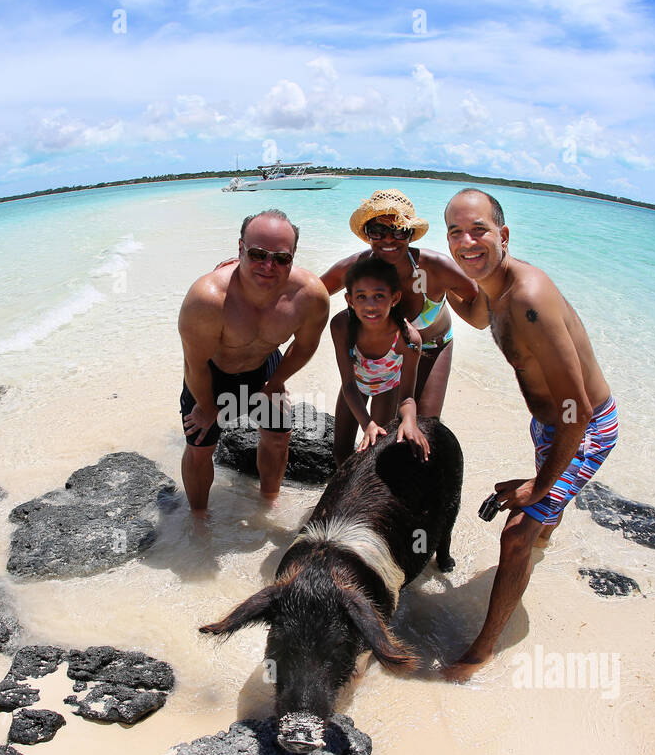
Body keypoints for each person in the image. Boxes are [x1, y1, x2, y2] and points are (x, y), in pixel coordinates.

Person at [440, 188, 618, 682]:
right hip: (548, 423)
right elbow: (477, 316)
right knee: (539, 520)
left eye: (478, 229)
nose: (466, 241)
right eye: (455, 232)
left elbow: (578, 411)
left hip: (583, 428)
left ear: (504, 234)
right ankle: (547, 533)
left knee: (517, 533)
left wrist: (537, 488)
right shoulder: (494, 287)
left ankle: (482, 651)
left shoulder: (528, 298)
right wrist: (437, 279)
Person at [178, 209, 330, 513]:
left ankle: (268, 503)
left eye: (281, 258)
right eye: (258, 254)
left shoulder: (309, 296)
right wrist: (208, 407)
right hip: (212, 374)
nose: (268, 266)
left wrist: (274, 384)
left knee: (278, 437)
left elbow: (304, 347)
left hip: (264, 366)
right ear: (240, 249)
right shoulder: (208, 299)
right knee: (200, 447)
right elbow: (194, 365)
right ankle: (198, 520)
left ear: (293, 257)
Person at [320, 190, 477, 457]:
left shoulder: (433, 268)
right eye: (378, 230)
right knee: (377, 440)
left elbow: (479, 299)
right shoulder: (356, 269)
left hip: (429, 346)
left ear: (411, 234)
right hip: (380, 357)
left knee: (424, 431)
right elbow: (311, 295)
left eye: (399, 230)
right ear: (367, 233)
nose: (389, 239)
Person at [329, 255, 430, 467]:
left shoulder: (408, 339)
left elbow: (407, 398)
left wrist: (410, 421)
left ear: (394, 298)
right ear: (349, 300)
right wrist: (367, 423)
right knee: (341, 453)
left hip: (387, 389)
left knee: (374, 453)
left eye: (379, 296)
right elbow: (348, 383)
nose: (370, 305)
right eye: (362, 296)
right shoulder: (341, 325)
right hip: (353, 388)